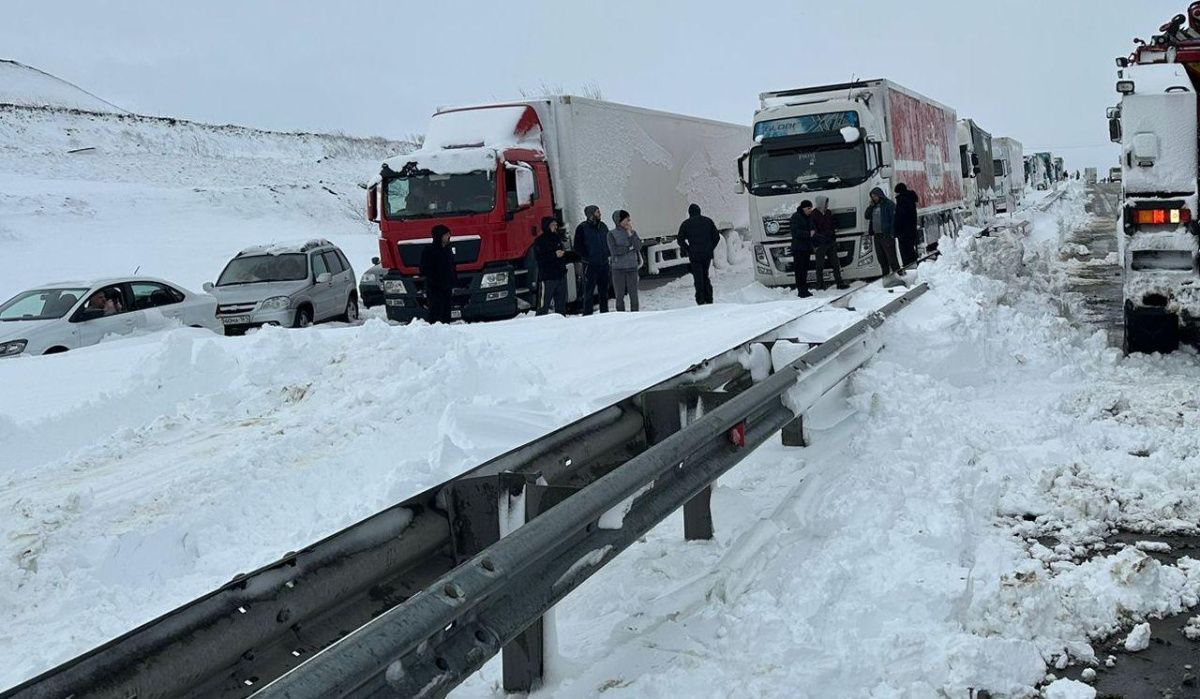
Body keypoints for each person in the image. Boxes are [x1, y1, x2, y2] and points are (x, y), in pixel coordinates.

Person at [677, 203, 720, 305]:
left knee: (698, 277)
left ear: (689, 213)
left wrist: (688, 249)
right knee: (705, 275)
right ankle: (709, 298)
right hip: (707, 254)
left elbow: (680, 240)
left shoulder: (685, 224)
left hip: (695, 254)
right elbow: (716, 237)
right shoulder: (708, 221)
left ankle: (700, 299)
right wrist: (710, 247)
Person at [574, 205, 610, 315]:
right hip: (590, 265)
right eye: (597, 212)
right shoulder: (582, 228)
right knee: (588, 292)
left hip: (603, 263)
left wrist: (607, 253)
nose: (600, 214)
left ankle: (605, 313)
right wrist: (587, 257)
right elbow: (577, 246)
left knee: (604, 291)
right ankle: (587, 314)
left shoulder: (603, 226)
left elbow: (608, 241)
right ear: (591, 214)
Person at [420, 224, 457, 323]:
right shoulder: (429, 250)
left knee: (446, 313)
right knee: (435, 312)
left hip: (447, 287)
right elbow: (423, 269)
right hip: (434, 288)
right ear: (439, 236)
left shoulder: (448, 249)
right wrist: (434, 280)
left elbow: (452, 266)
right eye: (446, 234)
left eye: (449, 234)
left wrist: (453, 280)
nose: (449, 237)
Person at [810, 195, 849, 290]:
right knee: (820, 265)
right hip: (820, 244)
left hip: (830, 242)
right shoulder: (813, 214)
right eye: (826, 203)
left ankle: (839, 282)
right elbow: (813, 230)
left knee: (835, 263)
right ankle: (820, 284)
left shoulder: (828, 213)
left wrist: (833, 236)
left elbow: (832, 225)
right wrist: (817, 241)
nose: (827, 205)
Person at [607, 210, 642, 312]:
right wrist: (629, 248)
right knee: (619, 295)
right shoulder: (611, 234)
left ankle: (635, 314)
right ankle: (621, 315)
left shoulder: (633, 232)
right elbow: (614, 250)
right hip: (618, 268)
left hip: (632, 267)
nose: (629, 221)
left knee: (634, 294)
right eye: (627, 219)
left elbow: (638, 246)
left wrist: (631, 234)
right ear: (620, 220)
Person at [533, 216, 568, 316]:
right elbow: (539, 258)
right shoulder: (540, 241)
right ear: (547, 226)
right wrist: (554, 255)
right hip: (548, 277)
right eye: (553, 225)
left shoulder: (557, 238)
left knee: (561, 306)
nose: (555, 227)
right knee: (543, 306)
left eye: (556, 225)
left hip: (561, 275)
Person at [865, 187, 903, 278]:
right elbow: (866, 216)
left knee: (891, 257)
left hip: (886, 235)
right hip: (877, 235)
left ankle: (898, 274)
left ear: (880, 195)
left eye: (875, 196)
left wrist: (892, 233)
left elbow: (894, 219)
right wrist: (870, 206)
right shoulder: (873, 206)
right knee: (881, 258)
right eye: (872, 196)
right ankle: (886, 276)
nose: (874, 198)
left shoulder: (889, 204)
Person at [789, 200, 815, 298]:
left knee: (804, 269)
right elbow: (795, 232)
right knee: (799, 270)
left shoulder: (808, 217)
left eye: (811, 208)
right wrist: (808, 233)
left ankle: (805, 289)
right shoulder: (796, 217)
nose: (810, 210)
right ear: (803, 208)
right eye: (808, 208)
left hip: (806, 247)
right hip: (798, 248)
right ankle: (801, 290)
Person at [893, 183, 921, 267]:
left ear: (899, 192)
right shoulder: (910, 199)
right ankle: (914, 264)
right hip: (911, 230)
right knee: (910, 249)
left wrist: (896, 230)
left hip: (903, 231)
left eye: (896, 192)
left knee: (905, 251)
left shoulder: (902, 201)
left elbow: (899, 218)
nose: (895, 194)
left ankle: (909, 267)